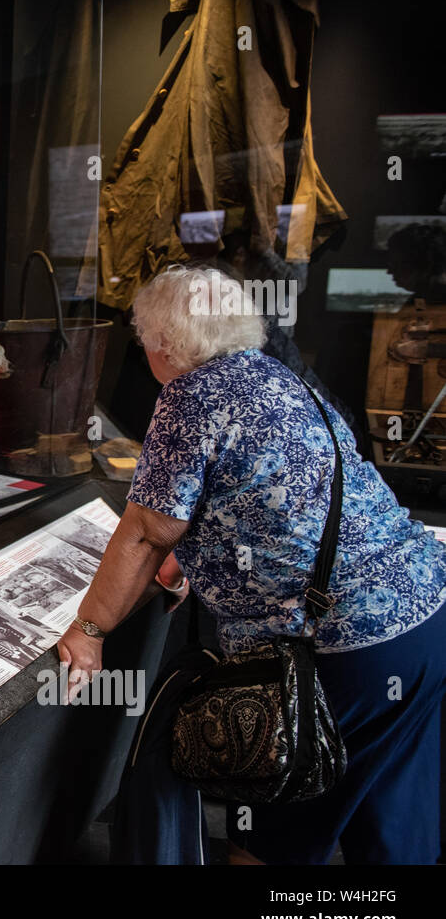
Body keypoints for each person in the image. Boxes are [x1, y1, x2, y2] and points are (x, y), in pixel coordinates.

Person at [60, 263, 446, 863]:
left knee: (269, 849)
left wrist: (89, 630)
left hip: (343, 652)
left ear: (163, 341)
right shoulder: (277, 378)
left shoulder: (188, 397)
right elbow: (271, 498)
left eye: (143, 340)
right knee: (393, 827)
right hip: (422, 619)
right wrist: (201, 557)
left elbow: (143, 533)